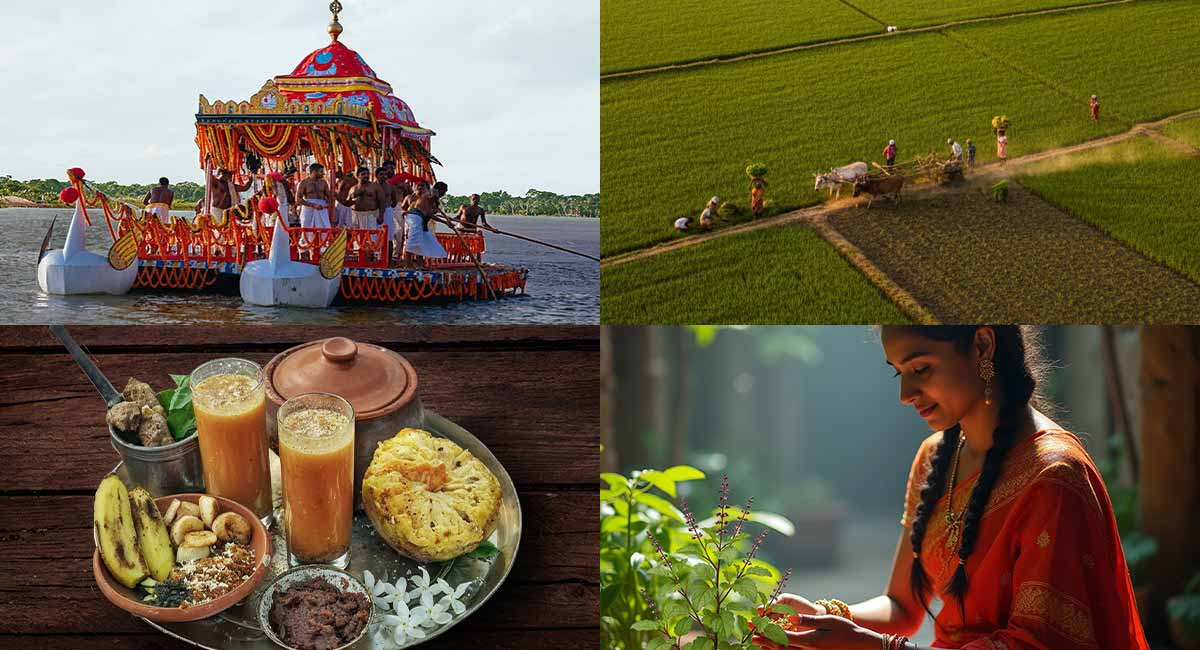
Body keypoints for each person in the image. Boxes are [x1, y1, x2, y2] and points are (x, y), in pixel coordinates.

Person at [751, 326, 1150, 650]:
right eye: (898, 372)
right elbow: (903, 606)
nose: (905, 395)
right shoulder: (934, 459)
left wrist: (875, 648)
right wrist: (823, 619)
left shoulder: (1053, 477)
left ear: (981, 345)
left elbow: (1038, 642)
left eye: (920, 369)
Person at [401, 181, 449, 267]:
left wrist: (445, 218)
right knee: (412, 241)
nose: (444, 194)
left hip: (421, 220)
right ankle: (408, 265)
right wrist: (445, 222)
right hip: (415, 218)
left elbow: (432, 211)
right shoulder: (430, 195)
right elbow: (428, 214)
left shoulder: (433, 197)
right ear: (440, 190)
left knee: (422, 241)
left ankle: (420, 264)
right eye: (444, 191)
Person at [297, 163, 333, 230]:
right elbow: (298, 199)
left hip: (322, 209)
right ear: (314, 172)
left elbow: (329, 196)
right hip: (308, 209)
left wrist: (327, 205)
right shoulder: (304, 183)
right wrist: (313, 205)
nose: (323, 174)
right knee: (306, 231)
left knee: (325, 230)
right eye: (321, 171)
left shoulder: (324, 183)